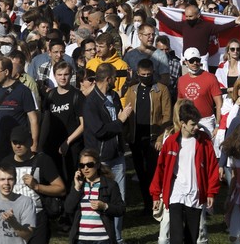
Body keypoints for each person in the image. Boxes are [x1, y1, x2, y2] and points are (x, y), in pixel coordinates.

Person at [150, 102, 219, 244]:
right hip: (176, 193)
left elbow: (212, 167)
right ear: (182, 123)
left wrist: (211, 192)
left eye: (197, 124)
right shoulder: (171, 142)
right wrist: (156, 194)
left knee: (192, 236)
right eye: (193, 124)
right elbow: (161, 169)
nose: (196, 127)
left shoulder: (204, 140)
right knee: (176, 235)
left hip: (195, 194)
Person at [82, 62, 130, 243]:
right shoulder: (91, 102)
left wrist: (122, 125)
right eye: (115, 78)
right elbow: (99, 131)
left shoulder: (114, 96)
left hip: (117, 155)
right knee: (100, 198)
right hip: (100, 158)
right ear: (108, 78)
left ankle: (117, 238)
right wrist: (120, 121)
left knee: (119, 199)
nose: (116, 82)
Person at [121, 58, 171, 214]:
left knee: (153, 173)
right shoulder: (132, 89)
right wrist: (127, 135)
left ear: (153, 73)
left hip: (153, 139)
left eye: (149, 74)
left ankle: (157, 203)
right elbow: (127, 113)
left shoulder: (161, 90)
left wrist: (160, 138)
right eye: (143, 74)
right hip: (136, 139)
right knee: (140, 173)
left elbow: (167, 116)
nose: (146, 77)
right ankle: (147, 204)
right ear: (138, 73)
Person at [0, 127, 66, 244]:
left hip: (37, 217)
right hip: (12, 216)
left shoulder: (43, 160)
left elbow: (61, 189)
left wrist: (37, 186)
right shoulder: (6, 163)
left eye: (22, 142)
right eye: (15, 142)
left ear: (30, 142)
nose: (18, 146)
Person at [64, 148, 125, 243]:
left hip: (102, 239)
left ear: (97, 165)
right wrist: (76, 188)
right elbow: (68, 208)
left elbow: (121, 209)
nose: (85, 168)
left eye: (89, 165)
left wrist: (104, 206)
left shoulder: (110, 185)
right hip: (81, 239)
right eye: (82, 165)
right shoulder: (78, 185)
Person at [177, 47, 222, 135]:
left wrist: (218, 125)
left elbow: (219, 103)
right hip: (188, 121)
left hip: (206, 120)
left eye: (197, 60)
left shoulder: (210, 77)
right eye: (191, 60)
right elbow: (179, 104)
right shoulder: (181, 80)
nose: (195, 63)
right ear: (186, 62)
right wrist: (179, 122)